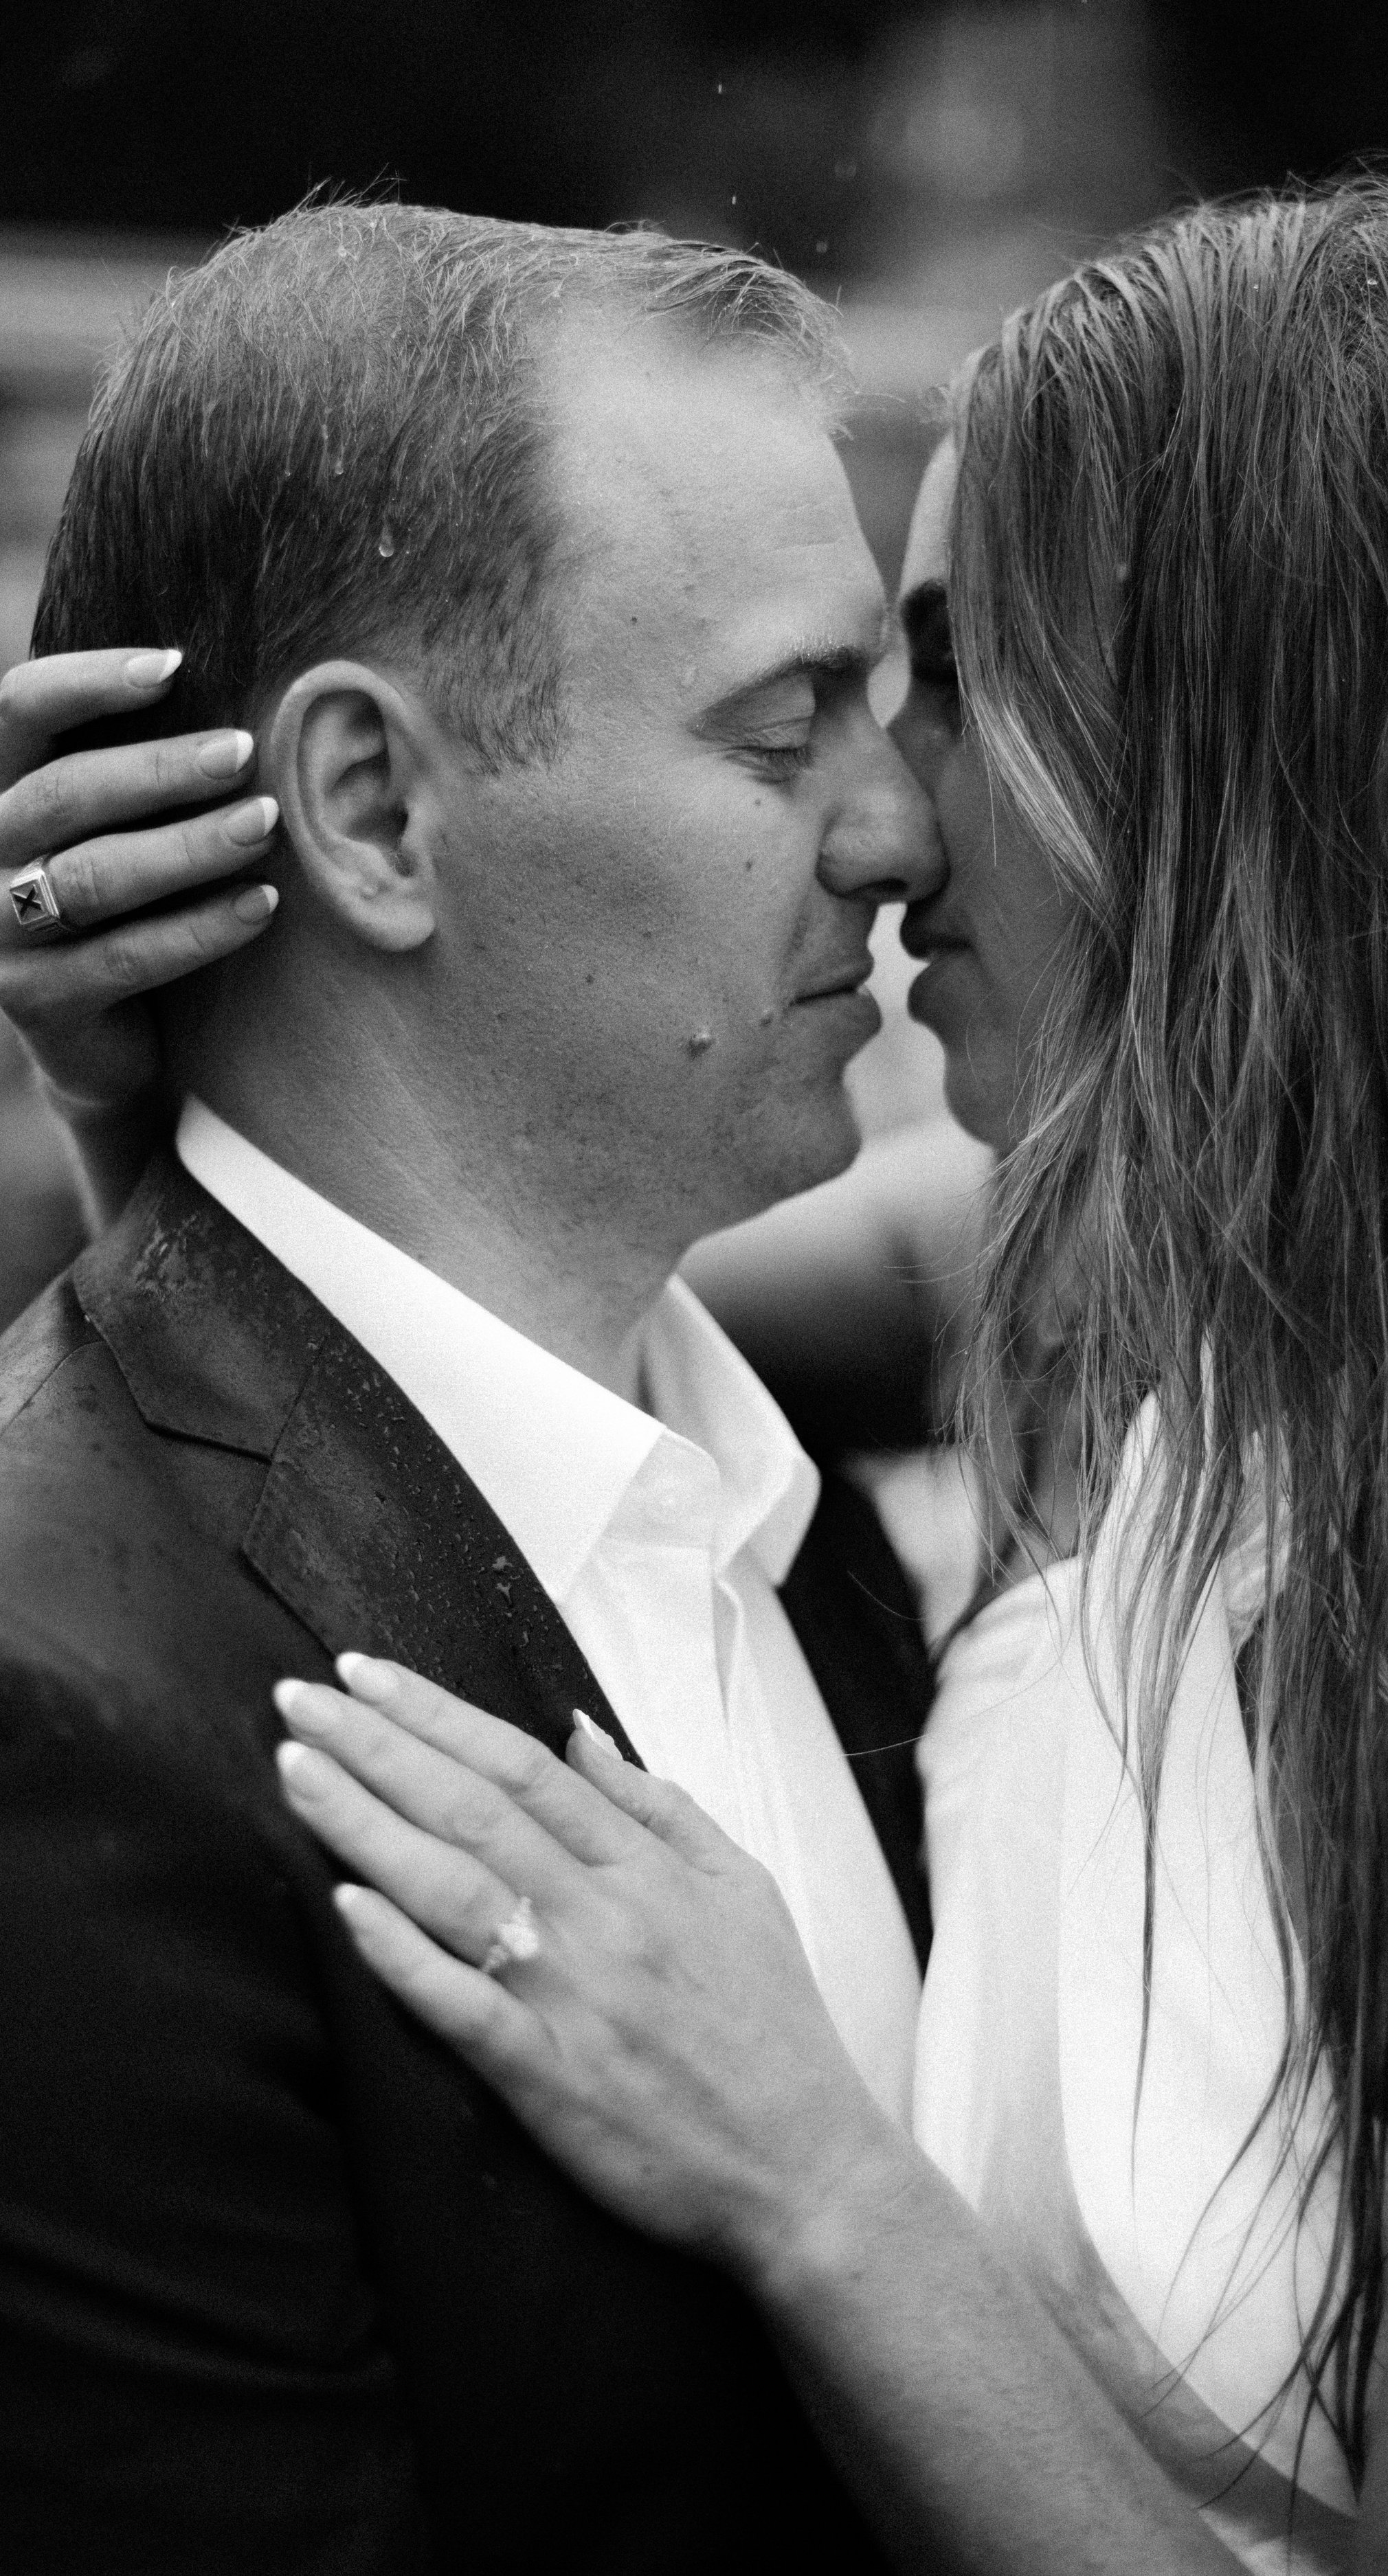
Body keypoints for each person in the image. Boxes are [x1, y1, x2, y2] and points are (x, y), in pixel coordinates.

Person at [10, 179, 1388, 2573]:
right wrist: (174, 1087)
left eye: (942, 685)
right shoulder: (1124, 1345)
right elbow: (389, 1377)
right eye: (801, 714)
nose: (895, 821)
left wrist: (822, 2193)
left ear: (1261, 787)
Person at [0, 196, 1194, 2575]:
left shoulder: (768, 1495)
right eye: (786, 726)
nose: (892, 833)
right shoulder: (63, 1721)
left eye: (891, 705)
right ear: (369, 811)